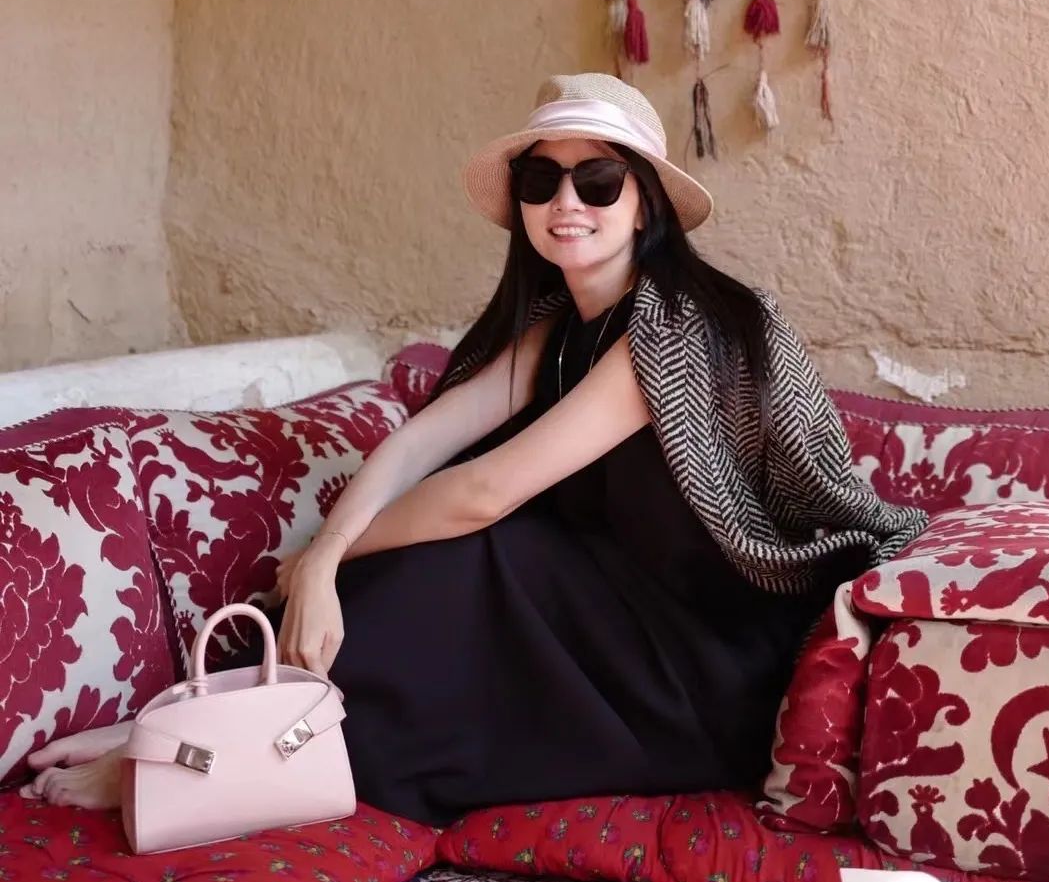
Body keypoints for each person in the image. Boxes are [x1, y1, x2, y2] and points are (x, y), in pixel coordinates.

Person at [22, 73, 926, 823]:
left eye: (598, 180)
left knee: (470, 554)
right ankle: (191, 722)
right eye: (542, 179)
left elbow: (484, 490)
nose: (566, 202)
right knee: (449, 554)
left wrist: (323, 559)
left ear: (644, 201)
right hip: (607, 612)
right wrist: (328, 553)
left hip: (702, 662)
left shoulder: (675, 329)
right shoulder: (557, 327)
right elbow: (421, 443)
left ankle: (207, 760)